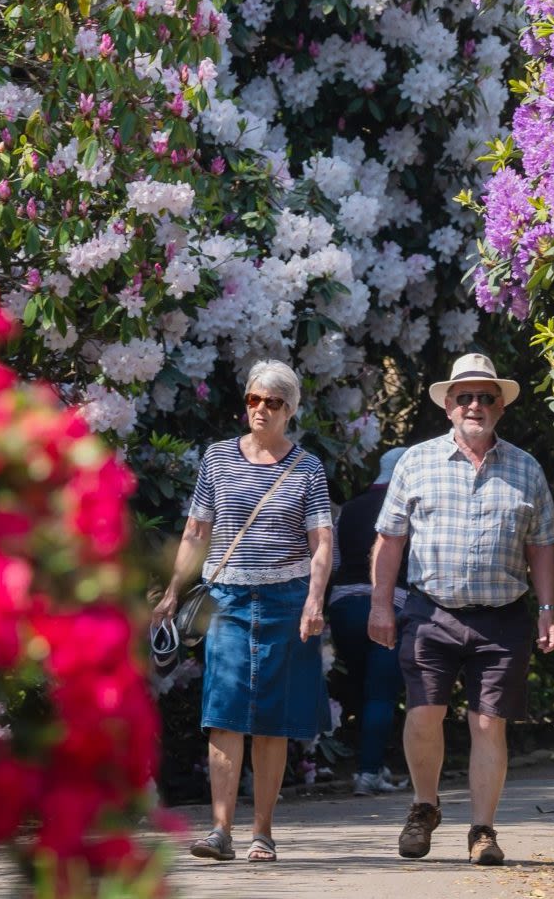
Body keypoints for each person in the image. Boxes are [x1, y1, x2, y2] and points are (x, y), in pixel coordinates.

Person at [368, 352, 554, 868]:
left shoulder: (526, 468)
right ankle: (424, 807)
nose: (475, 405)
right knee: (424, 714)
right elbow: (389, 540)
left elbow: (543, 547)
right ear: (448, 407)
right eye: (465, 397)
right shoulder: (415, 462)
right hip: (431, 613)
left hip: (503, 616)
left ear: (500, 407)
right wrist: (381, 605)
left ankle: (483, 831)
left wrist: (547, 609)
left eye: (485, 397)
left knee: (487, 725)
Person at [152, 360, 334, 863]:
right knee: (224, 714)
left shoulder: (308, 467)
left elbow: (322, 541)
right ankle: (219, 832)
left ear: (290, 411)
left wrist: (315, 599)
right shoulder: (217, 459)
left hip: (286, 601)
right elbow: (196, 532)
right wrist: (172, 591)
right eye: (254, 400)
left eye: (273, 403)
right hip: (227, 600)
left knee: (272, 722)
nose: (261, 409)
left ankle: (263, 832)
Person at [327, 446, 406, 794]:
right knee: (381, 694)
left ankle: (372, 764)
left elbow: (333, 563)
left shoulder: (350, 510)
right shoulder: (409, 508)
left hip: (344, 606)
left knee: (360, 690)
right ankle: (368, 772)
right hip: (389, 605)